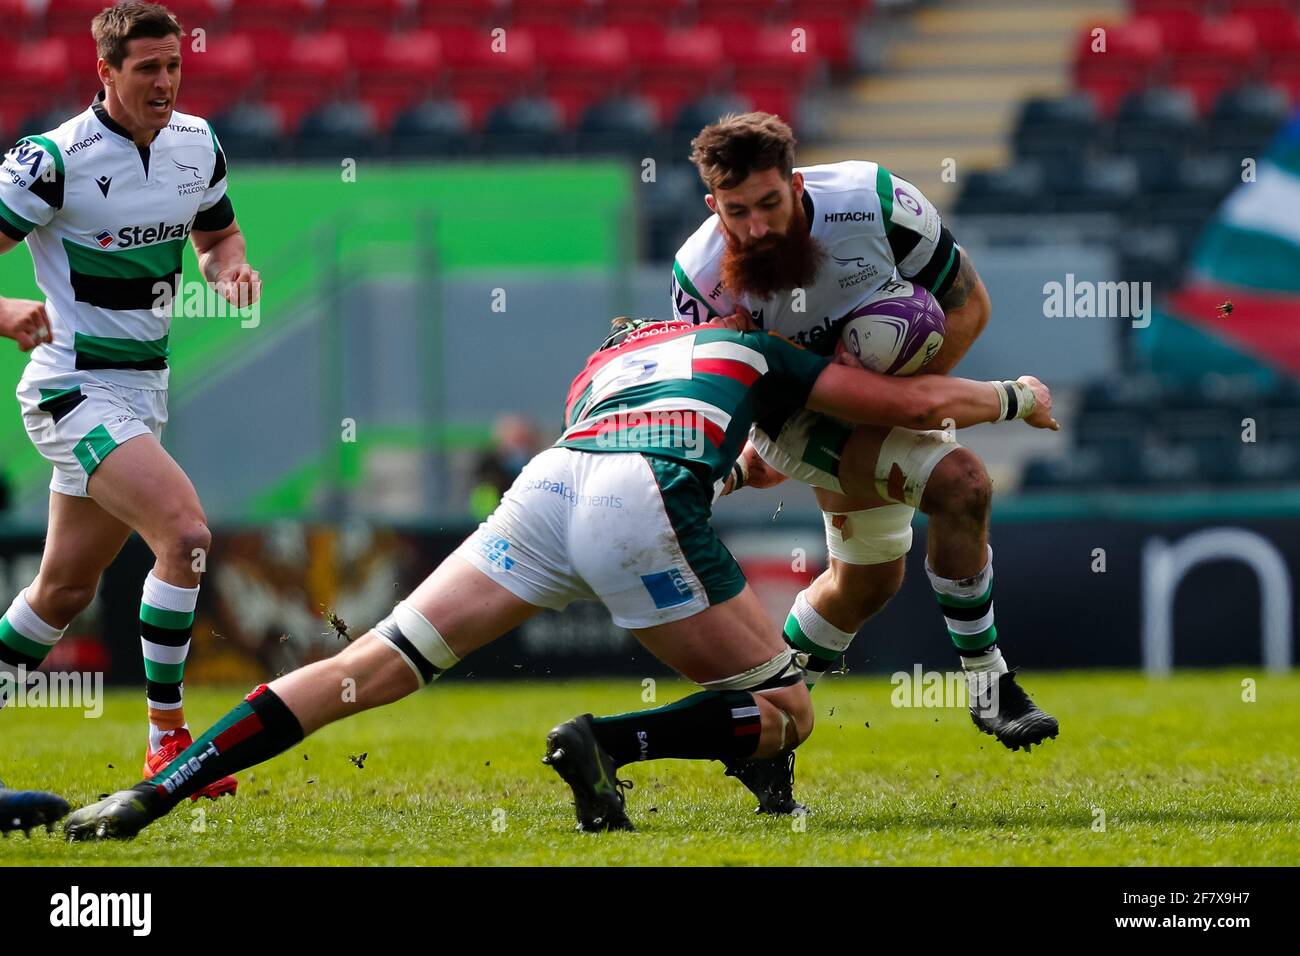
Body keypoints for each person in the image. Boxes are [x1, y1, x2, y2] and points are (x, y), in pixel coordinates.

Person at [64, 314, 1057, 840]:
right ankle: (603, 741)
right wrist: (1009, 396)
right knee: (786, 703)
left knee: (364, 666)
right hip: (639, 496)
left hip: (547, 481)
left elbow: (718, 443)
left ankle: (151, 792)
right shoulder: (750, 349)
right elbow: (899, 396)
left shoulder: (606, 361)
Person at [672, 112, 1059, 812]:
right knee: (961, 483)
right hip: (790, 416)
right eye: (737, 213)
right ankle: (989, 685)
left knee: (868, 583)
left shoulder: (875, 203)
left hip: (885, 396)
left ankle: (760, 731)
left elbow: (967, 306)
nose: (757, 228)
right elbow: (730, 394)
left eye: (770, 204)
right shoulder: (701, 280)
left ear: (796, 184)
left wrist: (903, 395)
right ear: (713, 207)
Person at [0, 3, 260, 806]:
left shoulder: (197, 144)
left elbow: (219, 238)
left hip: (142, 390)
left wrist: (228, 273)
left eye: (174, 65)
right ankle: (168, 743)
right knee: (183, 533)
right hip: (71, 387)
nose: (165, 81)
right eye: (148, 67)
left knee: (63, 593)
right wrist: (5, 311)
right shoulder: (49, 162)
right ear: (105, 73)